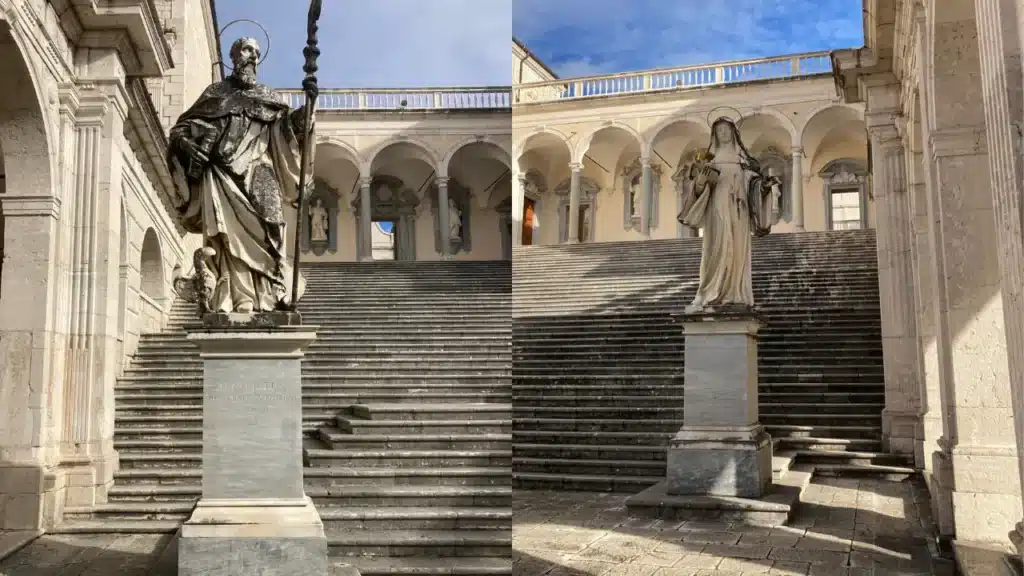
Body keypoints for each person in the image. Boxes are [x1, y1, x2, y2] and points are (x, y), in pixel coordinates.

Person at [167, 37, 311, 313]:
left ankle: (272, 292)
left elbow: (286, 130)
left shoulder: (268, 96)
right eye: (247, 50)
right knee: (228, 237)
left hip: (260, 169)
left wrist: (306, 113)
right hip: (222, 174)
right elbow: (180, 130)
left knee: (273, 224)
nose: (252, 56)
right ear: (233, 56)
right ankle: (239, 296)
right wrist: (188, 146)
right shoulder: (216, 93)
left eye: (256, 52)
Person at [677, 117, 781, 309]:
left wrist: (764, 186)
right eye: (719, 130)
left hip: (739, 210)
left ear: (733, 132)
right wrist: (700, 181)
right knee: (716, 248)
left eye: (726, 129)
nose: (723, 133)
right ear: (714, 135)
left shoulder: (744, 161)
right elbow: (698, 191)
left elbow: (754, 186)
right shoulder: (711, 161)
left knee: (738, 248)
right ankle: (709, 290)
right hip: (717, 208)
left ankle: (735, 294)